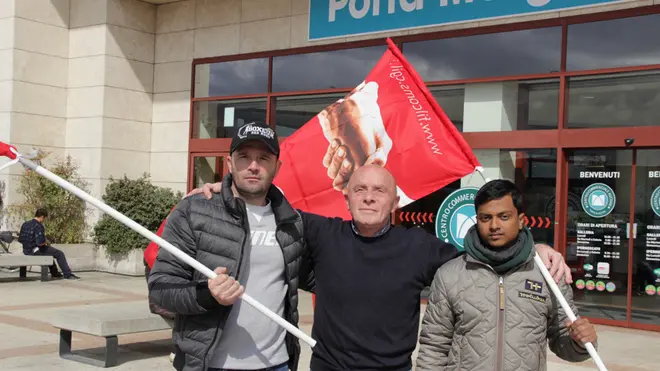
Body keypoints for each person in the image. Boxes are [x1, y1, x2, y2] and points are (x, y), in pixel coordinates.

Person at [196, 165, 572, 371]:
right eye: (360, 190)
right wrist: (225, 190)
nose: (369, 197)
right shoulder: (323, 233)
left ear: (394, 201)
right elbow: (266, 207)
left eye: (379, 191)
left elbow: (484, 252)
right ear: (347, 198)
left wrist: (534, 246)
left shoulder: (419, 247)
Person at [147, 122, 307, 371]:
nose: (253, 166)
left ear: (277, 166)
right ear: (229, 163)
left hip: (278, 364)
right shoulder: (194, 211)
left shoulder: (292, 222)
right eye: (244, 157)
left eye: (264, 158)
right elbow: (160, 289)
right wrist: (208, 295)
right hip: (210, 364)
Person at [416, 179, 597, 371]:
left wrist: (579, 341)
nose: (494, 225)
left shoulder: (547, 274)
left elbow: (563, 339)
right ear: (477, 220)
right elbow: (434, 347)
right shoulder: (450, 275)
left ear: (521, 221)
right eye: (486, 218)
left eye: (504, 216)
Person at [18, 208, 79, 280]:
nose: (44, 220)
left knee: (49, 253)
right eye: (44, 218)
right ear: (42, 217)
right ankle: (68, 274)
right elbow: (40, 243)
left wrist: (44, 240)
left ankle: (55, 273)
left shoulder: (25, 224)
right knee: (59, 254)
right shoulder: (38, 226)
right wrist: (46, 242)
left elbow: (20, 239)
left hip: (26, 250)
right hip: (35, 250)